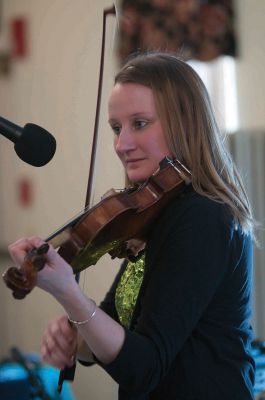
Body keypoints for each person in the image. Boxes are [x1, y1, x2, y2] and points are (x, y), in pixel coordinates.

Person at [8, 52, 255, 399]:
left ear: (185, 123)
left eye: (139, 123)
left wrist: (70, 294)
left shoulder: (204, 216)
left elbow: (145, 367)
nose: (121, 144)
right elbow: (116, 323)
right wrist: (75, 339)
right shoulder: (152, 213)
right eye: (116, 127)